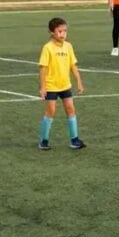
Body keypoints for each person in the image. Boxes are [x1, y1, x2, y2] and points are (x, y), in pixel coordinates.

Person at [37, 17, 86, 150]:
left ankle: (74, 139)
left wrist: (79, 81)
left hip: (65, 85)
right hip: (51, 86)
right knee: (51, 111)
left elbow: (73, 65)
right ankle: (43, 140)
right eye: (59, 31)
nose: (63, 34)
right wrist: (43, 87)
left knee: (70, 109)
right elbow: (43, 68)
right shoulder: (47, 48)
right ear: (52, 32)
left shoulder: (68, 46)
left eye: (65, 31)